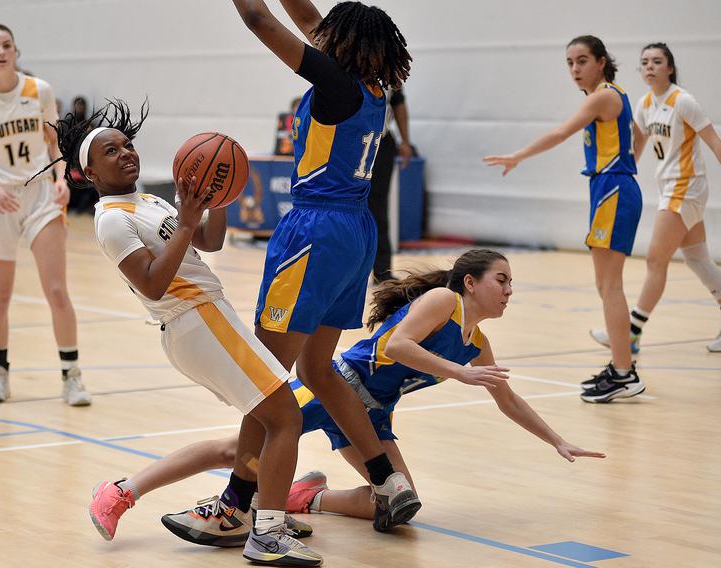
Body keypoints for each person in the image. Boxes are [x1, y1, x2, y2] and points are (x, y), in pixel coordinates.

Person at [87, 250, 603, 535]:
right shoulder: (444, 300)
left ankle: (304, 497)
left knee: (398, 505)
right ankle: (122, 491)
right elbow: (398, 346)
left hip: (374, 416)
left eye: (511, 283)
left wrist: (556, 440)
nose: (510, 290)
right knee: (236, 450)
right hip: (338, 387)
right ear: (470, 283)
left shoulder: (477, 343)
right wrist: (459, 373)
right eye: (502, 280)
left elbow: (508, 400)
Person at [39, 99, 323, 566]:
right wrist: (188, 222)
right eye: (110, 152)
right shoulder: (112, 219)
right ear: (88, 173)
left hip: (208, 317)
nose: (126, 153)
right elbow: (151, 284)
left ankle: (254, 511)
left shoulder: (148, 200)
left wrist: (219, 202)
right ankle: (267, 533)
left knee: (265, 419)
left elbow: (208, 242)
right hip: (194, 319)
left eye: (128, 145)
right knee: (285, 417)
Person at [202, 0, 419, 540]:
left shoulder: (335, 84)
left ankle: (238, 507)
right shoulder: (374, 89)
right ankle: (387, 479)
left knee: (264, 377)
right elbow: (305, 18)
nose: (315, 35)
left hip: (314, 232)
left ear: (339, 44)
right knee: (317, 370)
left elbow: (259, 19)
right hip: (355, 233)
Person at [484, 35, 645, 404]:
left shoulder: (603, 96)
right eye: (570, 62)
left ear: (601, 61)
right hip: (609, 187)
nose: (575, 68)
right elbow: (636, 132)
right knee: (606, 287)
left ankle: (625, 373)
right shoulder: (608, 95)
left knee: (611, 287)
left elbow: (560, 132)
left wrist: (518, 155)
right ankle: (621, 367)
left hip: (613, 191)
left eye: (582, 60)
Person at [0, 23, 91, 406]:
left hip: (41, 199)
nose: (1, 52)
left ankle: (72, 376)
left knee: (56, 291)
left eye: (7, 46)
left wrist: (62, 178)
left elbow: (55, 145)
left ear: (16, 51)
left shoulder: (39, 91)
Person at [589, 43, 721, 354]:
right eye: (645, 62)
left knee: (655, 259)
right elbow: (635, 148)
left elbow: (714, 141)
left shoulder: (683, 100)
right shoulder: (645, 102)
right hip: (669, 188)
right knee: (697, 258)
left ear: (670, 68)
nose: (650, 67)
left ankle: (630, 332)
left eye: (657, 61)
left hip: (686, 187)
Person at [369, 89, 414, 283]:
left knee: (378, 206)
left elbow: (399, 103)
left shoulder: (390, 69)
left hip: (382, 140)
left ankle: (382, 270)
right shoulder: (344, 64)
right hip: (351, 138)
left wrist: (405, 141)